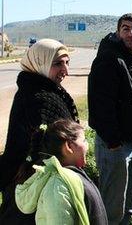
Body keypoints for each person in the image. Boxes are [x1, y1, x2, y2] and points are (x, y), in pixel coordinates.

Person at [0, 38, 79, 223]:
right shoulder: (39, 98)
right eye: (58, 63)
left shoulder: (44, 90)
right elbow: (50, 149)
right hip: (32, 186)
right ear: (39, 63)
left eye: (67, 63)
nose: (65, 71)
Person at [88, 13, 132, 224]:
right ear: (118, 32)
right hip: (115, 145)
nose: (131, 33)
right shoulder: (108, 59)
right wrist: (113, 140)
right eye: (126, 29)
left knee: (130, 206)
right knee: (112, 208)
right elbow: (99, 104)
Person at [14, 119, 107, 225]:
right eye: (84, 140)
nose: (87, 145)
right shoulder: (57, 188)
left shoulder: (72, 175)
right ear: (69, 147)